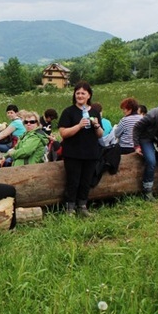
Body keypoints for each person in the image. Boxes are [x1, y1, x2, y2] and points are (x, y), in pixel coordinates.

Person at [58, 82, 103, 216]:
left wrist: (96, 126)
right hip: (73, 153)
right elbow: (63, 133)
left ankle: (82, 206)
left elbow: (100, 134)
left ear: (89, 95)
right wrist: (78, 126)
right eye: (77, 93)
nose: (80, 95)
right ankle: (70, 208)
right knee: (73, 181)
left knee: (86, 181)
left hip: (91, 153)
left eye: (83, 93)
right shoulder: (68, 112)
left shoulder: (94, 112)